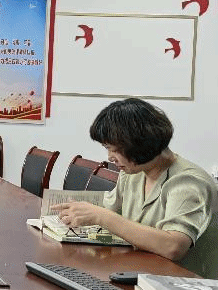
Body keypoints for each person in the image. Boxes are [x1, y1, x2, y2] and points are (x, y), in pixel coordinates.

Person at [52, 98, 218, 277]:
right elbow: (108, 207)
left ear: (139, 144)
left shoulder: (188, 182)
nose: (110, 157)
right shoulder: (133, 172)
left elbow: (174, 246)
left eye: (114, 150)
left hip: (183, 284)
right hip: (141, 273)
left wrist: (101, 216)